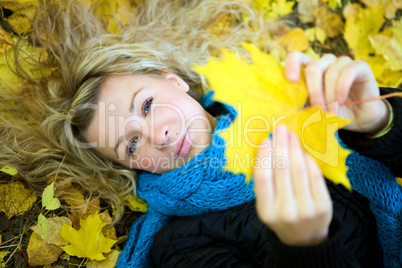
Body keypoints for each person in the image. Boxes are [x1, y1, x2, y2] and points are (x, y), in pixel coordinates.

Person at [0, 0, 401, 267]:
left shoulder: (289, 101)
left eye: (147, 105)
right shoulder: (182, 246)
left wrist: (378, 122)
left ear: (174, 81)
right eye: (132, 143)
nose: (158, 134)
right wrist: (307, 246)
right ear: (134, 168)